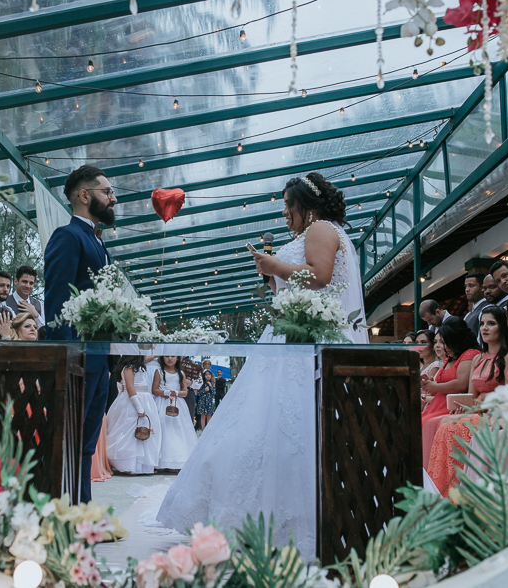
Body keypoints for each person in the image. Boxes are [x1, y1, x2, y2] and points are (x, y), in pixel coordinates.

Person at [156, 172, 368, 558]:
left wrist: (274, 266)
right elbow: (304, 284)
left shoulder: (320, 228)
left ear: (309, 205)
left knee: (284, 428)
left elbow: (319, 277)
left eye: (289, 205)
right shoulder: (311, 234)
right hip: (290, 334)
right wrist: (273, 276)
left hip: (303, 342)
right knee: (266, 428)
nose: (286, 213)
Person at [44, 165, 115, 503]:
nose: (113, 199)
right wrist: (69, 355)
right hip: (77, 359)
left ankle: (82, 511)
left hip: (100, 360)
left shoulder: (100, 243)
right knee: (67, 439)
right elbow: (57, 302)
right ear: (85, 196)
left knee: (86, 443)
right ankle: (59, 512)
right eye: (107, 192)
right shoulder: (68, 237)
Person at [426, 306, 508, 492]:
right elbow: (471, 395)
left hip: (495, 412)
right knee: (445, 423)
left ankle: (458, 489)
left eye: (491, 323)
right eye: (482, 323)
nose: (484, 328)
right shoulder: (479, 358)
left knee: (451, 426)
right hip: (476, 410)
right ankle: (439, 488)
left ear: (502, 327)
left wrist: (479, 408)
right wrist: (464, 408)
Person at [420, 317, 479, 466]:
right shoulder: (449, 358)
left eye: (445, 342)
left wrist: (434, 387)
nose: (444, 347)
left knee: (426, 423)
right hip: (436, 404)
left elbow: (461, 384)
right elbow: (441, 381)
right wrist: (430, 382)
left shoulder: (470, 354)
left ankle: (427, 469)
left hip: (449, 406)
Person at [104, 357, 162, 474]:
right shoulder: (129, 368)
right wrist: (139, 407)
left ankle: (142, 466)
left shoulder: (139, 367)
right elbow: (130, 387)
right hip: (134, 400)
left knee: (144, 432)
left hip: (145, 398)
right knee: (129, 432)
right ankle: (128, 465)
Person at [151, 356, 199, 471]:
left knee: (178, 430)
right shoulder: (159, 372)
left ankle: (177, 460)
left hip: (178, 404)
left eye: (173, 356)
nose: (170, 359)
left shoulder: (181, 373)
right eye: (167, 356)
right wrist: (166, 392)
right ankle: (160, 461)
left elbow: (185, 392)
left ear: (177, 358)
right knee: (163, 430)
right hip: (162, 403)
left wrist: (175, 393)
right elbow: (154, 389)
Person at [179, 357, 202, 425]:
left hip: (188, 392)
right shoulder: (173, 363)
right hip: (174, 392)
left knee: (188, 417)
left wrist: (191, 383)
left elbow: (199, 382)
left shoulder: (194, 365)